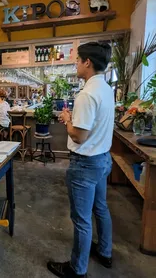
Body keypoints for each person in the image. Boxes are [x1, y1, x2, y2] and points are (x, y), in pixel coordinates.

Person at [48, 42, 114, 278]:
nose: (75, 63)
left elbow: (79, 135)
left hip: (85, 164)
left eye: (77, 59)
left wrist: (66, 118)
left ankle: (77, 270)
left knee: (82, 220)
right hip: (103, 160)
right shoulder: (106, 89)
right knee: (101, 209)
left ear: (88, 62)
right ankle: (105, 253)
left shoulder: (87, 94)